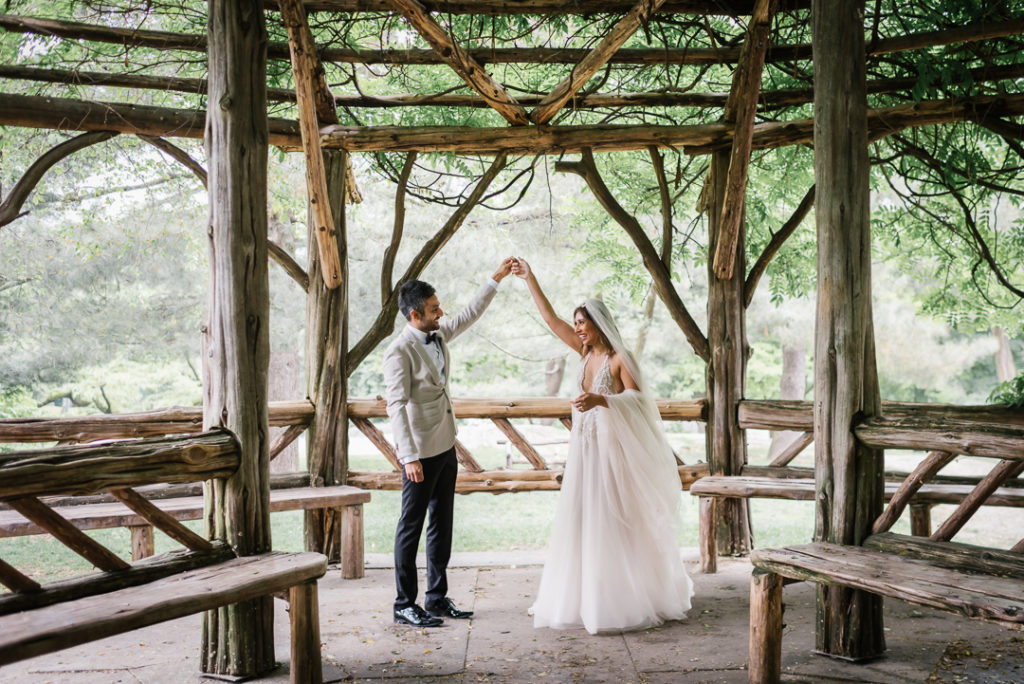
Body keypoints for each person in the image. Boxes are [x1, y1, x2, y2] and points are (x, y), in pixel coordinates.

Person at [512, 257, 694, 635]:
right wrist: (531, 278)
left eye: (583, 323)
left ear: (599, 323)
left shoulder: (617, 358)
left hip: (613, 454)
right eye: (576, 323)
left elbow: (642, 402)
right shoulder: (583, 354)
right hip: (584, 452)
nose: (578, 329)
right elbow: (550, 321)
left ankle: (619, 597)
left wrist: (602, 401)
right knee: (581, 519)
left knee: (613, 520)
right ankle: (580, 596)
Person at [384, 258, 516, 627]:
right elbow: (395, 406)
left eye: (439, 307)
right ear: (414, 315)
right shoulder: (398, 353)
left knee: (441, 523)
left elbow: (470, 314)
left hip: (445, 446)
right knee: (410, 527)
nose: (441, 313)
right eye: (433, 309)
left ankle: (437, 598)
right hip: (419, 455)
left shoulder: (439, 333)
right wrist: (408, 457)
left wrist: (496, 278)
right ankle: (403, 604)